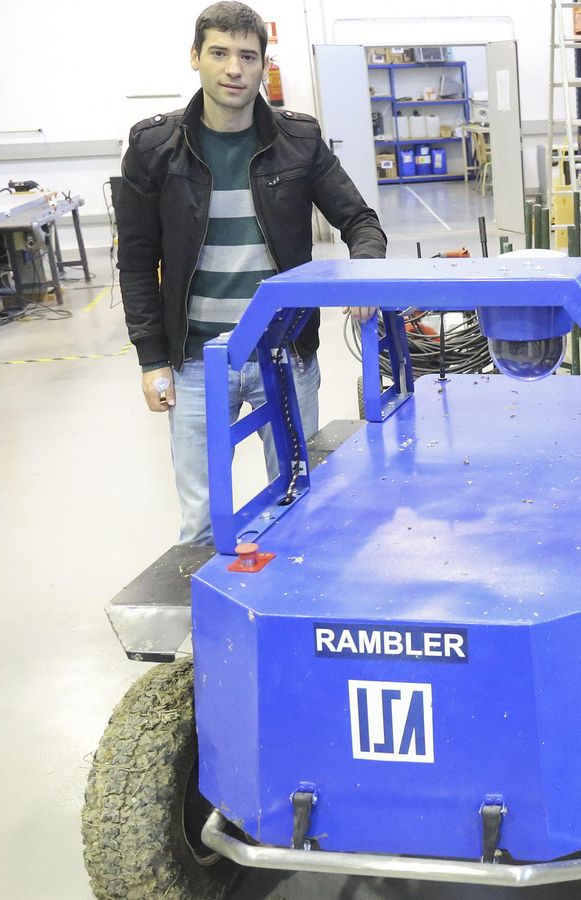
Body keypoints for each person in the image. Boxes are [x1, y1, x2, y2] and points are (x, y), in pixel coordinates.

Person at [117, 1, 386, 546]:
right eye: (219, 53)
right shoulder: (152, 147)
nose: (233, 69)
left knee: (298, 503)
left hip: (281, 353)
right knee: (199, 523)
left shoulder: (299, 140)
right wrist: (151, 359)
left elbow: (360, 221)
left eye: (247, 56)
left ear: (264, 65)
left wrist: (365, 274)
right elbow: (137, 260)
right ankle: (211, 627)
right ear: (195, 58)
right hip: (194, 361)